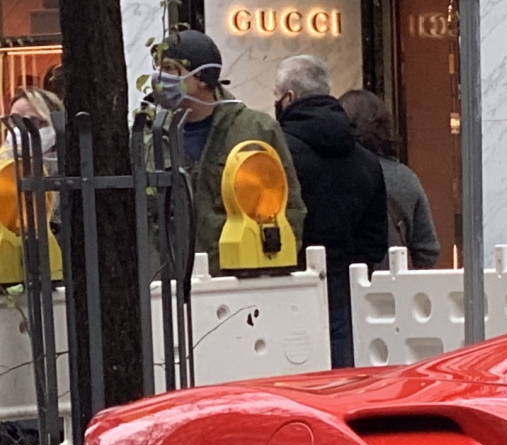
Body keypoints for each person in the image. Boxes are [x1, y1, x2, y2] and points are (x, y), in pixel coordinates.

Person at [151, 28, 306, 277]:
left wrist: (268, 268)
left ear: (202, 77)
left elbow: (289, 208)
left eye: (170, 69)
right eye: (158, 67)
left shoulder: (257, 129)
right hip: (169, 289)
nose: (159, 78)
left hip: (239, 281)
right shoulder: (150, 136)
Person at [274, 54, 389, 368]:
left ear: (289, 98)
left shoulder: (277, 154)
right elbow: (376, 240)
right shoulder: (367, 161)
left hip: (286, 295)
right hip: (347, 298)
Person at [339, 87, 442, 268]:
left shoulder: (332, 173)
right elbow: (428, 250)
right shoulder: (404, 177)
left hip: (339, 286)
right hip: (394, 288)